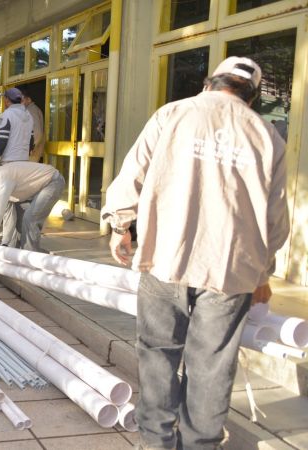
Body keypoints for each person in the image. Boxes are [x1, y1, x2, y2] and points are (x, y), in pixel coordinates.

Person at [101, 57, 289, 450]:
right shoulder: (267, 135)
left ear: (210, 84)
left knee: (158, 355)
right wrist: (262, 275)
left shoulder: (173, 113)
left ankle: (156, 443)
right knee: (211, 366)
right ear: (251, 97)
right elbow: (275, 220)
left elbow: (131, 173)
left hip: (165, 257)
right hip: (230, 270)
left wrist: (120, 227)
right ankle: (200, 445)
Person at [0, 161, 63, 255]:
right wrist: (5, 243)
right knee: (20, 223)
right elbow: (9, 216)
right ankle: (29, 255)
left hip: (52, 182)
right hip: (37, 188)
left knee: (30, 219)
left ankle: (34, 259)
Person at [0, 88, 34, 168]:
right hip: (24, 162)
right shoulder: (29, 116)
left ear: (7, 99)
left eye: (4, 98)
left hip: (9, 162)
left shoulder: (7, 114)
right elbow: (31, 141)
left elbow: (1, 142)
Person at [21, 88, 45, 163]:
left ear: (29, 99)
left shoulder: (31, 110)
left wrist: (30, 149)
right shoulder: (31, 110)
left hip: (31, 154)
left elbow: (37, 132)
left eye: (22, 100)